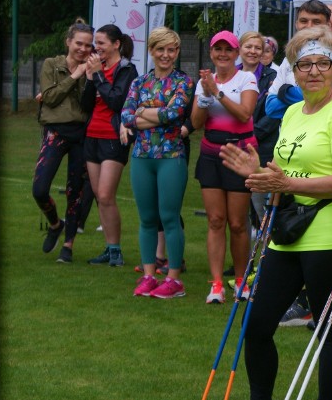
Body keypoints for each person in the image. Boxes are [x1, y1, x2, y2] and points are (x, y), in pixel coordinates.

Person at [220, 26, 332, 400]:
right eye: (305, 65)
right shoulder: (295, 111)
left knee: (328, 331)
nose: (313, 71)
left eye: (322, 64)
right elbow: (287, 169)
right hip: (287, 233)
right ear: (294, 72)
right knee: (257, 324)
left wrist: (286, 186)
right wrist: (258, 172)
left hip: (328, 234)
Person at [120, 27, 193, 298]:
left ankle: (174, 279)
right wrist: (153, 114)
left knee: (169, 217)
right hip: (142, 156)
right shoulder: (139, 83)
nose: (165, 55)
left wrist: (142, 112)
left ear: (176, 52)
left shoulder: (183, 82)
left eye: (171, 50)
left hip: (171, 156)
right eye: (160, 49)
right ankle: (150, 274)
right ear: (151, 51)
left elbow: (174, 114)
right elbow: (127, 117)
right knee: (147, 219)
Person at [191, 30, 259, 304]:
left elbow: (245, 114)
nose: (222, 54)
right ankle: (216, 284)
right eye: (217, 49)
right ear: (211, 53)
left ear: (236, 53)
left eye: (228, 50)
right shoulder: (205, 81)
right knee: (216, 220)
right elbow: (196, 123)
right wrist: (206, 96)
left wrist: (217, 93)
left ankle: (241, 281)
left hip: (240, 153)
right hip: (211, 153)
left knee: (237, 223)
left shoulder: (246, 78)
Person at [34, 19, 94, 263]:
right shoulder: (52, 64)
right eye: (78, 43)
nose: (83, 49)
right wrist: (76, 75)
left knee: (75, 191)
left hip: (81, 134)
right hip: (55, 132)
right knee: (39, 189)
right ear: (68, 42)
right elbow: (49, 98)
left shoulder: (91, 69)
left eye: (88, 45)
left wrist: (89, 78)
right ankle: (55, 224)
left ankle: (68, 245)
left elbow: (88, 106)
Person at [81, 24, 138, 267]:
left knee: (106, 194)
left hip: (114, 137)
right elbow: (86, 105)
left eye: (102, 43)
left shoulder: (126, 70)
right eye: (97, 43)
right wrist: (90, 79)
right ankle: (110, 247)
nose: (97, 47)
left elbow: (117, 101)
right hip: (92, 135)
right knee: (99, 196)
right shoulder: (98, 69)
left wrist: (98, 76)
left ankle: (116, 252)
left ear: (116, 44)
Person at [265, 0, 332, 120]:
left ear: (327, 25)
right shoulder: (288, 58)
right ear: (296, 24)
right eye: (303, 21)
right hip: (290, 129)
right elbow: (271, 108)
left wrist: (284, 91)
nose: (309, 26)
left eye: (316, 22)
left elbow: (317, 95)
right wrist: (298, 94)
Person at [238, 31, 278, 223]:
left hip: (262, 150)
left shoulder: (273, 77)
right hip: (234, 149)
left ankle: (265, 251)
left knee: (261, 210)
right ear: (240, 49)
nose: (253, 51)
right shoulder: (231, 74)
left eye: (258, 48)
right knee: (237, 214)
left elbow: (273, 114)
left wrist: (248, 135)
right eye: (248, 46)